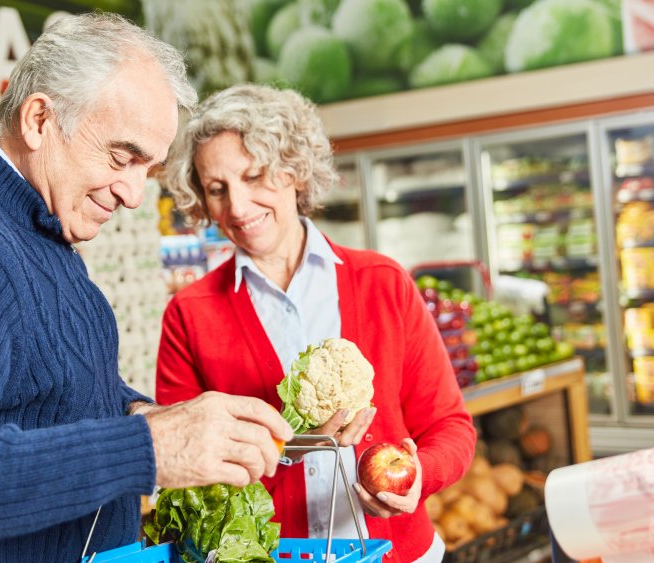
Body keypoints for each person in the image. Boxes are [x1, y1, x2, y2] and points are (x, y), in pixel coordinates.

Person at [0, 14, 292, 562]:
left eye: (148, 168)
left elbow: (38, 393)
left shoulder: (34, 229)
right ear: (40, 120)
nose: (134, 194)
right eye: (122, 157)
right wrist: (146, 449)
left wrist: (142, 416)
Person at [156, 84, 476, 563]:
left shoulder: (382, 282)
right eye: (217, 189)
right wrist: (287, 443)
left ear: (294, 170)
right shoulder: (190, 314)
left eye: (255, 176)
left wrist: (417, 476)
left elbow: (451, 426)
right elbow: (183, 467)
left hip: (403, 554)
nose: (238, 208)